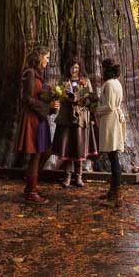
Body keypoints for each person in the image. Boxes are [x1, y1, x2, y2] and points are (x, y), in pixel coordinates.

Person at [15, 44, 54, 204]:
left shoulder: (38, 74)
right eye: (47, 57)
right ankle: (31, 191)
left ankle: (30, 184)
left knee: (46, 151)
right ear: (39, 56)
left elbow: (38, 96)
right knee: (37, 154)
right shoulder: (30, 73)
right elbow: (27, 98)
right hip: (32, 118)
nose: (48, 60)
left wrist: (51, 101)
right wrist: (47, 106)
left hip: (40, 117)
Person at [52, 60, 98, 188]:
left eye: (76, 67)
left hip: (81, 119)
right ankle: (67, 176)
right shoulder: (63, 81)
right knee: (67, 147)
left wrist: (82, 99)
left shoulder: (85, 81)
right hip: (66, 118)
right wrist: (62, 96)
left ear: (80, 68)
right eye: (72, 67)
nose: (74, 70)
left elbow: (91, 98)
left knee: (79, 147)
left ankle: (79, 176)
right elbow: (57, 97)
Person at [96, 58, 126, 206]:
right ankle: (112, 192)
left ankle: (117, 197)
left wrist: (95, 109)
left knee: (113, 157)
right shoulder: (117, 83)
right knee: (113, 156)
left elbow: (108, 106)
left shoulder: (108, 84)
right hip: (114, 119)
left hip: (110, 121)